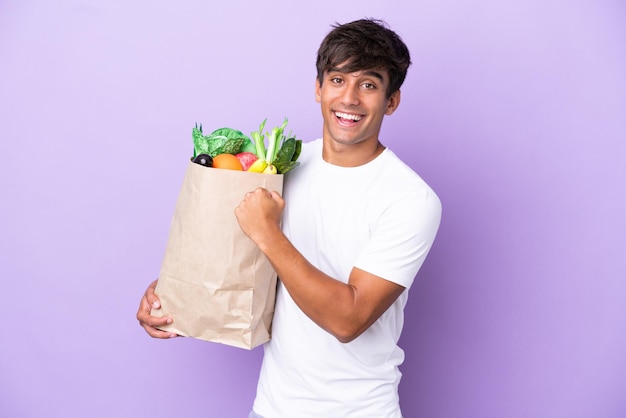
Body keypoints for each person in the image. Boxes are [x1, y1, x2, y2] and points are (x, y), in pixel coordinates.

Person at [137, 18, 442, 418]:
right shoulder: (283, 165)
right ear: (318, 89)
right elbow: (237, 262)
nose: (349, 98)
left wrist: (268, 233)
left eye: (368, 84)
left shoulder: (410, 199)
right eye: (337, 80)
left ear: (391, 101)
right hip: (272, 408)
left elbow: (348, 319)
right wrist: (173, 293)